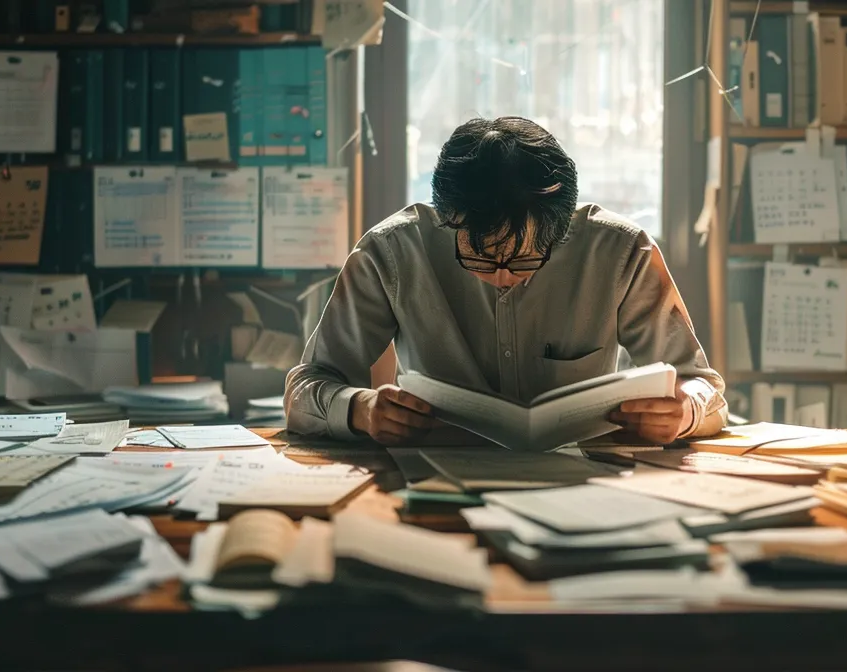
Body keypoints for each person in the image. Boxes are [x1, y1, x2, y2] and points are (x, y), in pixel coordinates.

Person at [285, 116, 727, 446]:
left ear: (562, 228)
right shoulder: (392, 251)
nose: (501, 278)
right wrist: (361, 410)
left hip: (581, 477)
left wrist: (684, 411)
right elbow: (305, 389)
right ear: (446, 218)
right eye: (476, 257)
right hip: (435, 476)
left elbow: (702, 385)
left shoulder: (620, 251)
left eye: (525, 258)